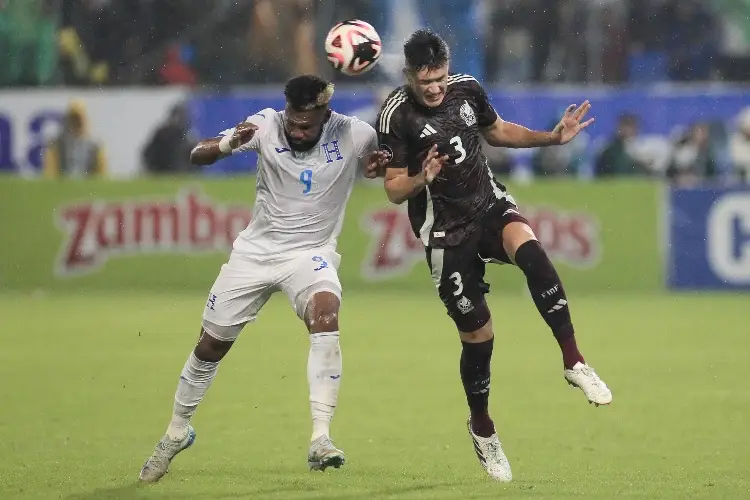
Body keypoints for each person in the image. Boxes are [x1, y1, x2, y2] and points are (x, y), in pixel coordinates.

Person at [377, 30, 612, 482]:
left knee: (533, 253)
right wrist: (421, 177)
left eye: (439, 77)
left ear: (448, 68)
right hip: (445, 233)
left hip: (488, 207)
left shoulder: (467, 89)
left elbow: (497, 131)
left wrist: (551, 138)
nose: (434, 88)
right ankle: (482, 427)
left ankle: (574, 361)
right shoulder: (395, 114)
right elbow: (391, 188)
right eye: (425, 80)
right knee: (479, 339)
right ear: (409, 75)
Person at [139, 74, 388, 483]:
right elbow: (196, 155)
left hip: (310, 254)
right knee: (209, 347)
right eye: (293, 122)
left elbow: (390, 168)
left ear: (326, 116)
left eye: (307, 125)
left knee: (326, 313)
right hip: (254, 254)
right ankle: (176, 431)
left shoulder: (355, 133)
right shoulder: (267, 123)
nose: (297, 131)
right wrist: (228, 143)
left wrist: (380, 166)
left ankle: (321, 438)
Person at [43, 100, 107, 179]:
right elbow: (50, 173)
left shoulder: (96, 145)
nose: (76, 123)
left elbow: (101, 175)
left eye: (79, 119)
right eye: (74, 119)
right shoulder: (56, 144)